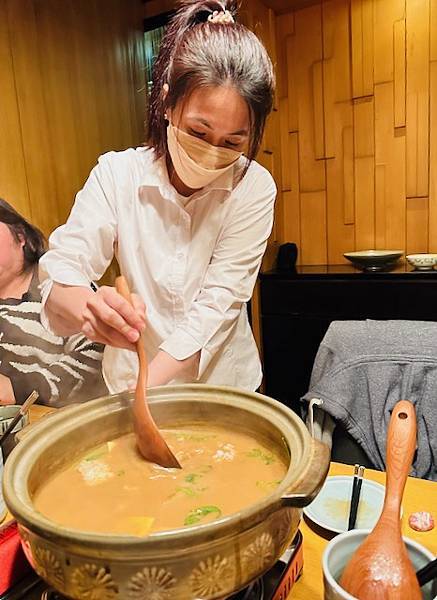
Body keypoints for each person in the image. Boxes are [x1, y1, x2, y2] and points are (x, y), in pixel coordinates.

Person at [39, 0, 276, 395]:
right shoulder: (117, 175)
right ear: (167, 102)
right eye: (198, 133)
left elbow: (216, 306)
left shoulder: (253, 187)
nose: (212, 152)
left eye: (232, 142)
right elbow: (63, 268)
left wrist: (144, 393)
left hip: (222, 389)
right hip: (132, 386)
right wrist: (89, 308)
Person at [0, 199, 107, 406]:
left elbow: (98, 352)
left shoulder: (59, 285)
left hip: (55, 424)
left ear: (20, 237)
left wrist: (17, 389)